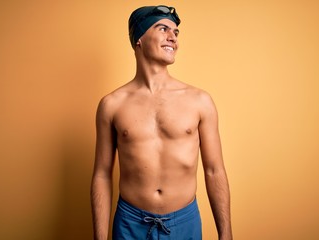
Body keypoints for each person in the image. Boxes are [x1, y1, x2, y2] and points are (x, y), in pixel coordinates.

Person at [91, 5, 233, 240]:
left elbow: (214, 170)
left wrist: (226, 234)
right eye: (163, 29)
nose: (173, 38)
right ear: (139, 39)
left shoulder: (199, 100)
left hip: (184, 222)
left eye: (176, 33)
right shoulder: (112, 104)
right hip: (130, 224)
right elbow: (102, 174)